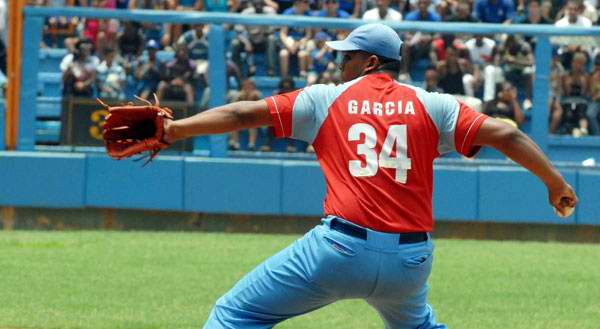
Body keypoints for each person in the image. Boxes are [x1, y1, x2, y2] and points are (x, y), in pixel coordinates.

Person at [161, 23, 578, 328]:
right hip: (409, 263)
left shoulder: (325, 99)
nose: (340, 63)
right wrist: (555, 184)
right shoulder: (434, 105)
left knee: (233, 315)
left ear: (371, 62)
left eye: (347, 56)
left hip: (339, 251)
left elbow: (240, 113)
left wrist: (175, 129)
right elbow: (506, 132)